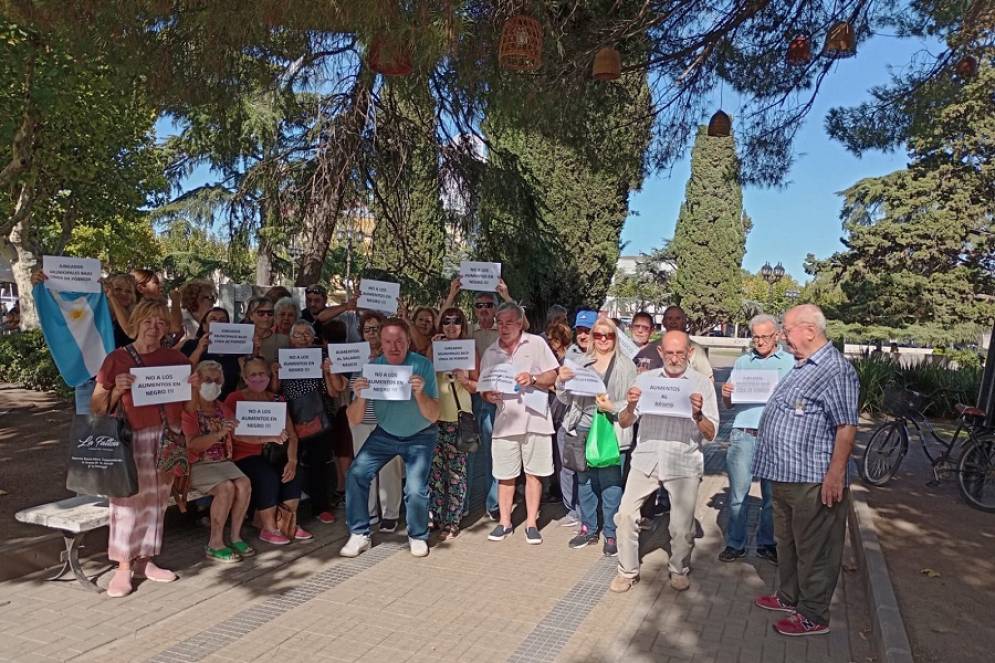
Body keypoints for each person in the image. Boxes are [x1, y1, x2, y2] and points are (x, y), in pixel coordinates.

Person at [751, 304, 859, 637]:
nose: (783, 336)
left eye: (786, 329)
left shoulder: (835, 369)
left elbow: (846, 426)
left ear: (810, 330)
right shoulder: (803, 365)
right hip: (785, 476)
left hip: (814, 480)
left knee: (816, 551)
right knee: (789, 544)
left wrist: (835, 475)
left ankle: (813, 615)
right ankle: (789, 596)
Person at [90, 298, 192, 598]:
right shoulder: (117, 359)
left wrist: (197, 387)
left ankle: (146, 559)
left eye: (160, 322)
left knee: (158, 501)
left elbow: (189, 405)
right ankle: (122, 566)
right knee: (126, 502)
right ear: (135, 323)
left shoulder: (177, 360)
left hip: (167, 438)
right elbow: (96, 407)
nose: (154, 327)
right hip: (131, 439)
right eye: (148, 321)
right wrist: (118, 388)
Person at [610, 330, 719, 594]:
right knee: (625, 514)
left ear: (690, 353)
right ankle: (627, 571)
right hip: (646, 458)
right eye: (669, 352)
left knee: (681, 527)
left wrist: (697, 414)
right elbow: (625, 421)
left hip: (683, 461)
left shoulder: (701, 383)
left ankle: (679, 569)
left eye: (680, 352)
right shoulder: (644, 380)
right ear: (660, 353)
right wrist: (630, 405)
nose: (674, 358)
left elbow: (712, 432)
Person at [339, 318, 440, 559]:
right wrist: (361, 396)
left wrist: (420, 394)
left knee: (415, 487)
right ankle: (359, 533)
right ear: (380, 343)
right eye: (388, 341)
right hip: (385, 433)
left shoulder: (423, 366)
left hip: (420, 435)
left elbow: (434, 414)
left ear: (408, 342)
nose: (394, 347)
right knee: (356, 474)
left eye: (399, 341)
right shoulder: (372, 368)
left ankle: (417, 535)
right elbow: (353, 419)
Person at [554, 318, 636, 557]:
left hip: (612, 431)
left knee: (611, 485)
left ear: (615, 338)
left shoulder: (626, 365)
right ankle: (588, 527)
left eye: (608, 335)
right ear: (591, 337)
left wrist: (612, 406)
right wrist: (561, 380)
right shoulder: (579, 363)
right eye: (598, 335)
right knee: (585, 483)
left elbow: (633, 404)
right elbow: (564, 399)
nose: (602, 339)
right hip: (582, 428)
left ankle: (611, 532)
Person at [480, 302, 559, 545]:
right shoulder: (491, 352)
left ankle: (532, 524)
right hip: (505, 422)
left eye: (509, 323)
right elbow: (484, 387)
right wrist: (488, 395)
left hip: (536, 420)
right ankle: (504, 523)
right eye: (499, 322)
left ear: (520, 323)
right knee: (505, 475)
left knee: (534, 474)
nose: (503, 327)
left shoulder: (536, 343)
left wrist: (533, 378)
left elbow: (553, 375)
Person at [718, 314, 794, 564]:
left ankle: (766, 543)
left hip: (775, 437)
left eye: (765, 337)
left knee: (771, 497)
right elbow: (728, 404)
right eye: (756, 337)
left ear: (777, 336)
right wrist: (725, 393)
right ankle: (735, 544)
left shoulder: (790, 363)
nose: (759, 342)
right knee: (738, 496)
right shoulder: (742, 362)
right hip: (743, 435)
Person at [225, 356, 312, 545]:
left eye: (262, 374)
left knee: (293, 473)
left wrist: (292, 460)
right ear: (245, 377)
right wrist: (266, 438)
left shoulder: (276, 399)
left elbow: (292, 435)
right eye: (253, 374)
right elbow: (234, 435)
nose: (258, 378)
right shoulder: (235, 398)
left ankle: (288, 523)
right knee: (266, 475)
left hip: (274, 452)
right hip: (245, 454)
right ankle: (268, 527)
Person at [272, 320, 347, 524]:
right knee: (288, 462)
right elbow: (274, 390)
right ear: (290, 337)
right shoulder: (282, 356)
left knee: (319, 463)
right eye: (298, 334)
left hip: (317, 416)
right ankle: (286, 510)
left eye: (307, 334)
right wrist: (275, 373)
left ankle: (321, 507)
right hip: (288, 417)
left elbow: (332, 391)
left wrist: (326, 371)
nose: (303, 338)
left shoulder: (321, 355)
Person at [181, 360, 253, 562]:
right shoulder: (189, 409)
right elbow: (192, 445)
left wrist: (270, 437)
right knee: (226, 488)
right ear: (197, 382)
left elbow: (240, 434)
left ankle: (236, 536)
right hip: (196, 464)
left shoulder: (222, 408)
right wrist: (219, 433)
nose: (212, 384)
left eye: (216, 380)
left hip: (222, 461)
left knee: (244, 483)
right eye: (207, 380)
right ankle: (215, 543)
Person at [343, 311, 403, 530]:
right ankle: (368, 512)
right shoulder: (354, 356)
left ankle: (390, 513)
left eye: (376, 328)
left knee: (389, 467)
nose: (372, 333)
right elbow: (345, 387)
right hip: (361, 419)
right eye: (367, 329)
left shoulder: (394, 354)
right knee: (364, 467)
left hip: (388, 420)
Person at [426, 307, 476, 539]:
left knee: (456, 473)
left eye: (456, 322)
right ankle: (435, 515)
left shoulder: (469, 350)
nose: (451, 326)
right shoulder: (434, 348)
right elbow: (424, 373)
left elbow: (478, 385)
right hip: (435, 418)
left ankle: (453, 520)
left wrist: (464, 380)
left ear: (462, 326)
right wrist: (432, 349)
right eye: (446, 322)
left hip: (458, 418)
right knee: (435, 473)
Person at [553, 309, 598, 527]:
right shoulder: (569, 356)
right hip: (570, 422)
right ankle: (572, 510)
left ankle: (588, 514)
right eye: (579, 330)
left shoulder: (606, 357)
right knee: (568, 468)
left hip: (596, 424)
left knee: (591, 472)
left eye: (587, 331)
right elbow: (562, 396)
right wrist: (560, 382)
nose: (583, 335)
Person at [633, 305, 713, 381]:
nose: (673, 322)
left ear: (685, 322)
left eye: (678, 318)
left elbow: (708, 379)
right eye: (669, 318)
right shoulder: (651, 347)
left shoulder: (696, 349)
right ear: (663, 322)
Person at [180, 307, 241, 400]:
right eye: (213, 319)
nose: (218, 323)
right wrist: (199, 349)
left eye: (222, 320)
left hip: (227, 401)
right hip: (198, 401)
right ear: (204, 325)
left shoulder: (235, 349)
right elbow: (184, 372)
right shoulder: (191, 345)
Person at [245, 296, 289, 365]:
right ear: (251, 315)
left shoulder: (284, 341)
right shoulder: (242, 339)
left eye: (270, 313)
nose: (266, 316)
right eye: (261, 313)